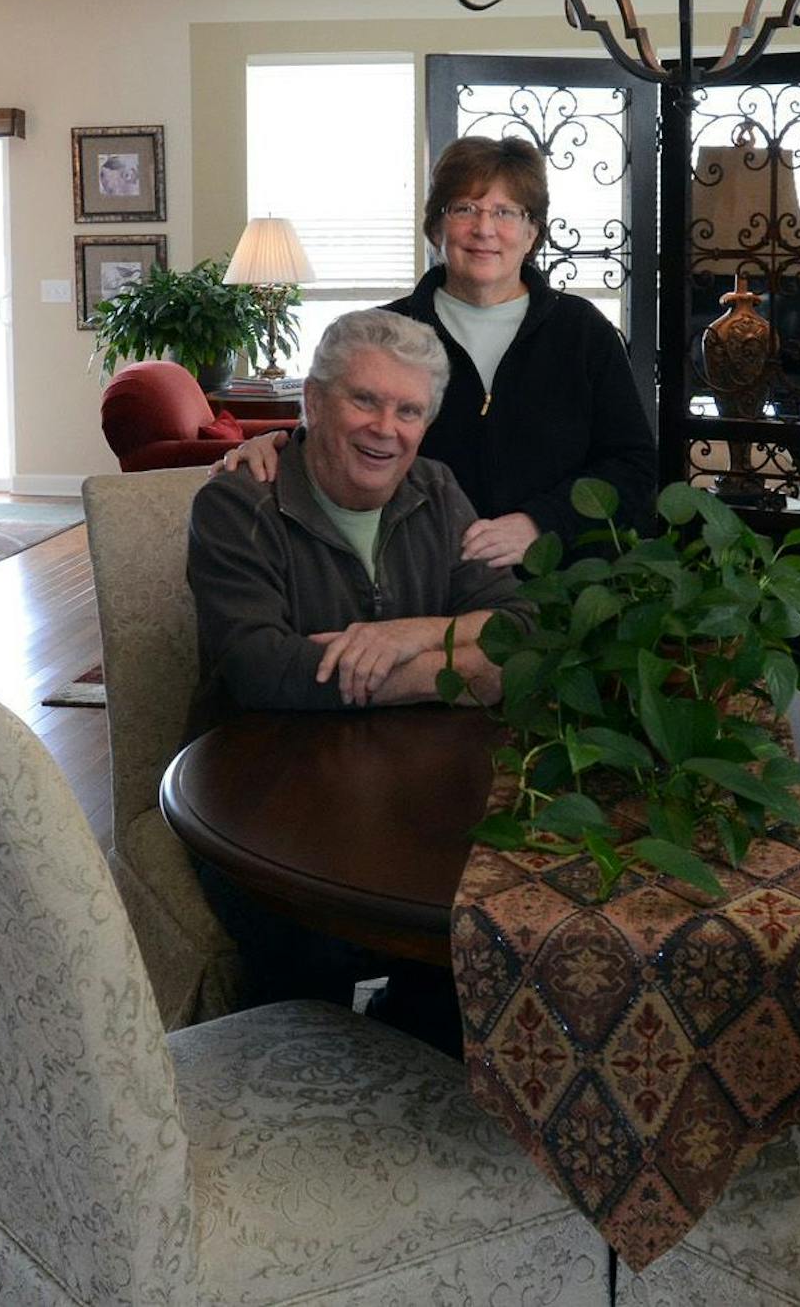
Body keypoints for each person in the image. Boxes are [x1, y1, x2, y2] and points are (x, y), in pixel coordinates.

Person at [185, 308, 515, 1048]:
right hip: (258, 803)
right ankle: (279, 1126)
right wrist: (460, 668)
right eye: (364, 399)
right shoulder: (239, 503)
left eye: (408, 410)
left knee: (471, 942)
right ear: (312, 400)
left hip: (417, 791)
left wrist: (407, 636)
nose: (385, 428)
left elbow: (521, 635)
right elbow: (263, 667)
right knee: (306, 977)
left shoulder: (438, 488)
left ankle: (420, 1106)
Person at [215, 136, 656, 566]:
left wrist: (541, 524)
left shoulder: (581, 331)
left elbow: (633, 466)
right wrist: (271, 447)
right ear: (436, 227)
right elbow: (335, 440)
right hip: (416, 579)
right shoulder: (382, 333)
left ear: (531, 233)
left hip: (560, 582)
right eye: (465, 208)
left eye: (505, 212)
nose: (484, 229)